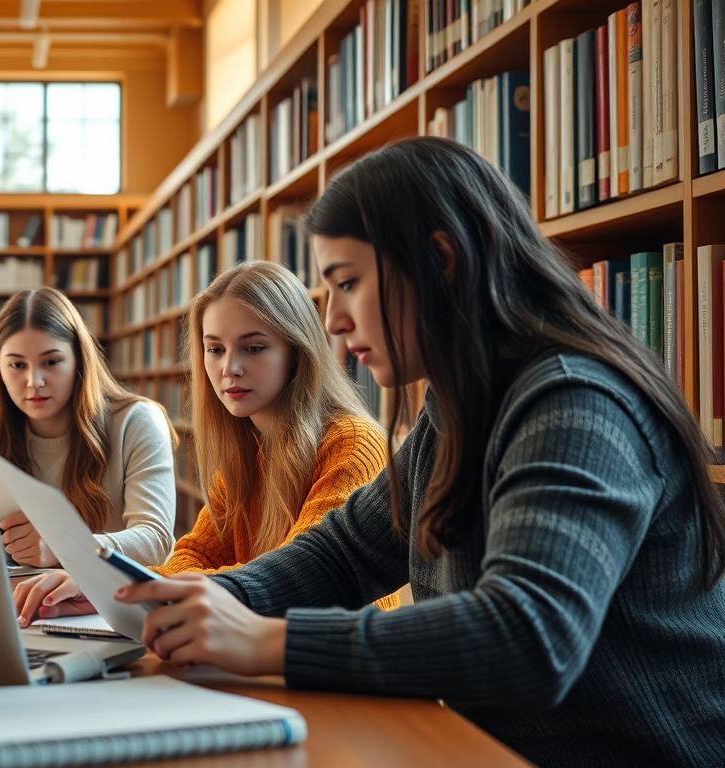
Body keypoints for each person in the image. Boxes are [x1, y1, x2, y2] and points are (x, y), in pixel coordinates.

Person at [114, 137, 725, 765]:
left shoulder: (574, 401)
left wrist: (269, 641)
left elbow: (528, 637)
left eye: (348, 283)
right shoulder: (454, 410)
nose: (334, 321)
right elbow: (346, 553)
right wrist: (191, 598)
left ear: (440, 260)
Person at [13, 262, 393, 624]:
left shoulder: (352, 445)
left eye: (253, 348)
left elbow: (300, 577)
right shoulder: (249, 451)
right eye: (215, 349)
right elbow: (193, 554)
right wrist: (110, 587)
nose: (230, 368)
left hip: (331, 661)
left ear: (297, 352)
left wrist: (135, 587)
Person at [0, 287, 176, 566]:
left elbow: (156, 541)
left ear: (79, 360)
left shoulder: (137, 421)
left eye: (51, 362)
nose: (34, 381)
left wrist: (65, 546)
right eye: (17, 365)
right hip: (27, 589)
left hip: (111, 591)